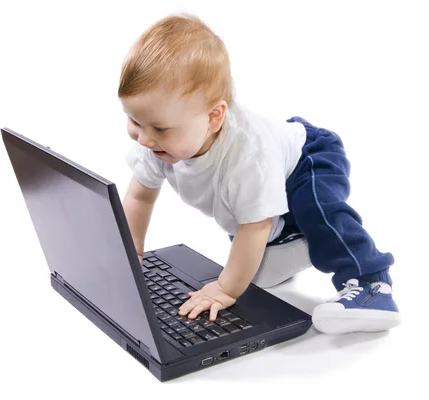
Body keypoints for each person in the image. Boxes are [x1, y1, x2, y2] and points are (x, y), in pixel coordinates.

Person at [119, 14, 400, 334]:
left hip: (306, 159)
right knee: (259, 273)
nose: (144, 138)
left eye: (158, 128)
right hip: (262, 192)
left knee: (315, 209)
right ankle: (302, 239)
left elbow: (255, 226)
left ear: (213, 117)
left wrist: (225, 289)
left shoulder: (248, 154)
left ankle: (372, 284)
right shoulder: (156, 139)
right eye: (135, 121)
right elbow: (139, 197)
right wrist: (133, 252)